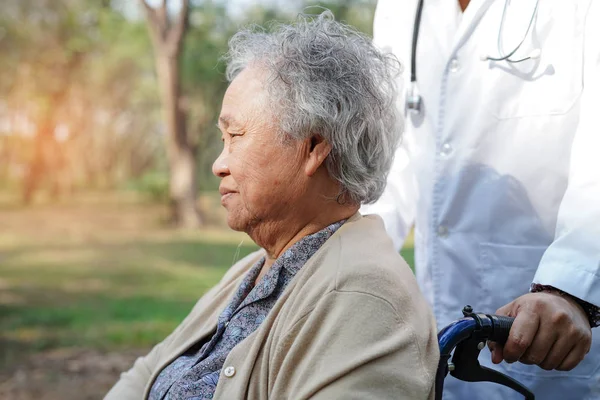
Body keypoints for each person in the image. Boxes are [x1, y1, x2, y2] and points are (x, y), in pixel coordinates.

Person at [105, 11, 439, 400]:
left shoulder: (367, 301)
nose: (218, 164)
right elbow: (147, 371)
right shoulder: (254, 271)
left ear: (313, 147)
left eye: (236, 135)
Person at [362, 0, 600, 399]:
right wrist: (350, 266)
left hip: (549, 323)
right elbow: (388, 157)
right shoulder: (402, 8)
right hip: (432, 327)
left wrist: (569, 288)